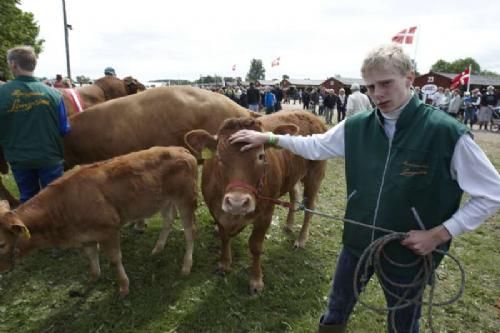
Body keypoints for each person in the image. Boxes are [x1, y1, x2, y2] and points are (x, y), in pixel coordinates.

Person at [229, 44, 500, 333]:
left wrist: (439, 234)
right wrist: (271, 139)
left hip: (410, 249)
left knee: (404, 320)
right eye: (370, 86)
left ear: (410, 78)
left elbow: (492, 193)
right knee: (336, 308)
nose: (377, 94)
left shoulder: (445, 132)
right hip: (356, 242)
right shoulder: (357, 126)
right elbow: (316, 146)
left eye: (386, 84)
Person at [0, 46, 70, 203]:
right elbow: (64, 128)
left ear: (13, 64)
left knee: (29, 200)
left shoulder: (2, 94)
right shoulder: (55, 95)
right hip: (50, 157)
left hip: (19, 159)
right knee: (54, 200)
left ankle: (31, 227)